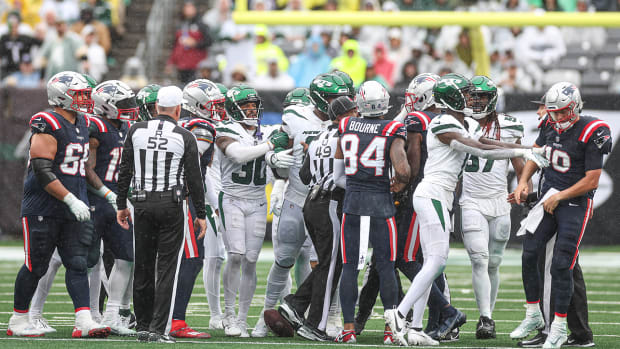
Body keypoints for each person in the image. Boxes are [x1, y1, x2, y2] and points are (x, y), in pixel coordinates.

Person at [386, 73, 549, 346]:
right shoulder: (443, 122)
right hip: (433, 194)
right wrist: (523, 152)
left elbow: (487, 142)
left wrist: (524, 149)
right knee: (437, 260)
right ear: (452, 97)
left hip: (441, 196)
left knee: (431, 264)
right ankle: (400, 313)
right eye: (466, 93)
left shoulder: (464, 122)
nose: (471, 98)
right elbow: (480, 150)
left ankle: (415, 328)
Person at [355, 73, 464, 344]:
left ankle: (445, 314)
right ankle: (432, 321)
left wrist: (402, 187)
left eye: (414, 98)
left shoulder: (419, 119)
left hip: (418, 195)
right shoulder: (445, 120)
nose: (409, 102)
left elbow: (413, 163)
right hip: (439, 194)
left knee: (407, 259)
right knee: (423, 260)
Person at [8, 71, 110, 338]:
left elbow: (85, 168)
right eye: (80, 94)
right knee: (36, 265)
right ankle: (19, 319)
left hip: (74, 204)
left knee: (78, 263)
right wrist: (69, 198)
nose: (86, 99)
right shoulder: (47, 121)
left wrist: (104, 193)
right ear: (61, 96)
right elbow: (43, 169)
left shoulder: (84, 122)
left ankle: (84, 320)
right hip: (44, 206)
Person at [510, 82, 611, 349]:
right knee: (530, 252)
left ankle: (558, 327)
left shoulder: (593, 130)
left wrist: (560, 196)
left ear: (575, 106)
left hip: (574, 203)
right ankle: (534, 315)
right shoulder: (549, 124)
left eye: (562, 112)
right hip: (549, 199)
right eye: (552, 113)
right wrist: (523, 181)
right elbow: (536, 153)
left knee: (561, 265)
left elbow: (592, 181)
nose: (556, 118)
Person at [256, 73, 349, 338]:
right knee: (284, 257)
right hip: (298, 197)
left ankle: (330, 316)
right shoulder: (296, 115)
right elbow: (278, 143)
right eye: (335, 98)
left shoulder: (348, 121)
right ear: (321, 99)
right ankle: (267, 314)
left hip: (331, 199)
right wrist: (272, 156)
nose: (341, 103)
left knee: (328, 263)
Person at [115, 85, 207, 343]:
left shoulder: (135, 130)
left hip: (142, 203)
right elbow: (194, 178)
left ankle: (143, 326)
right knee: (167, 269)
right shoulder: (184, 135)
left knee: (143, 266)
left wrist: (121, 204)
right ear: (178, 109)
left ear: (156, 108)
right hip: (170, 205)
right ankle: (158, 329)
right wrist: (200, 213)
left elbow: (125, 170)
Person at [333, 81, 410, 344]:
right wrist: (398, 185)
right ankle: (390, 330)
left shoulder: (345, 125)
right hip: (380, 203)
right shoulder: (392, 128)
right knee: (386, 267)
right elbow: (403, 170)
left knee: (349, 267)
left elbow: (338, 174)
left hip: (353, 203)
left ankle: (347, 329)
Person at [278, 96, 357, 342]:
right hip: (331, 202)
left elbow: (303, 175)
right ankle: (316, 324)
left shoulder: (318, 137)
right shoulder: (345, 136)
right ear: (347, 113)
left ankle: (295, 304)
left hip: (311, 203)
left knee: (329, 262)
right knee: (331, 264)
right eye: (354, 111)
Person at [459, 76, 528, 339]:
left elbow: (519, 160)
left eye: (481, 97)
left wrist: (523, 184)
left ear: (492, 99)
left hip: (500, 200)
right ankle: (485, 318)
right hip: (472, 201)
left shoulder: (510, 126)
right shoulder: (460, 124)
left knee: (494, 262)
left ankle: (489, 313)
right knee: (479, 259)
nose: (476, 102)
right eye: (472, 97)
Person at [215, 85, 283, 337]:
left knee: (251, 260)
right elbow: (239, 155)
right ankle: (229, 315)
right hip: (232, 198)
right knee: (235, 255)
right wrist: (269, 146)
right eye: (246, 106)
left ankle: (242, 319)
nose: (252, 110)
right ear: (234, 109)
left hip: (257, 201)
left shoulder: (268, 131)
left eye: (254, 106)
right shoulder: (225, 129)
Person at [169, 79, 222, 339]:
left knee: (175, 259)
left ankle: (158, 317)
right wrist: (202, 208)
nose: (217, 109)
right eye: (213, 105)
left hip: (170, 197)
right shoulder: (200, 128)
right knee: (191, 259)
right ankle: (175, 320)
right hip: (182, 200)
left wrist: (214, 206)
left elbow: (204, 174)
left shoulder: (183, 125)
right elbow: (191, 171)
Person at [87, 80, 139, 336]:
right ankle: (89, 315)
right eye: (123, 104)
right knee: (89, 260)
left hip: (119, 201)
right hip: (95, 200)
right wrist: (107, 193)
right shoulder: (94, 126)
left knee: (126, 257)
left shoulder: (127, 126)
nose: (130, 108)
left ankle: (113, 315)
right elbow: (87, 168)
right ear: (106, 106)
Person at [165, 1, 212, 84]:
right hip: (182, 65)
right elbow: (175, 46)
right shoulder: (180, 25)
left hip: (196, 65)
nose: (188, 10)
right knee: (182, 87)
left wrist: (195, 43)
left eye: (191, 8)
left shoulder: (201, 24)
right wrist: (171, 62)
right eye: (186, 8)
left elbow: (209, 41)